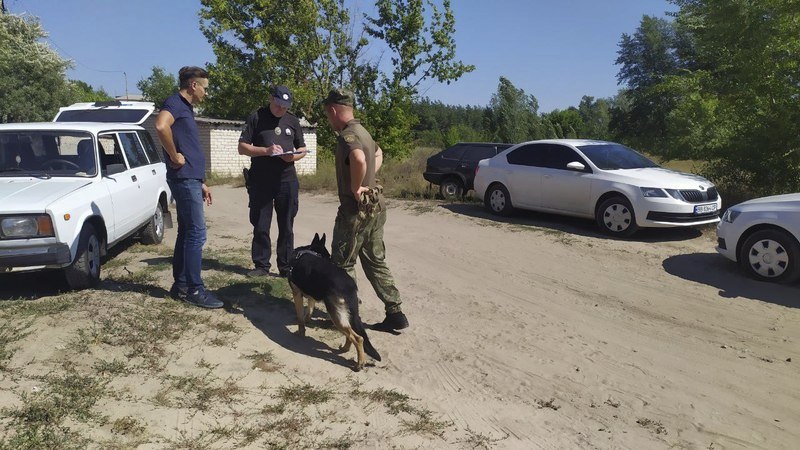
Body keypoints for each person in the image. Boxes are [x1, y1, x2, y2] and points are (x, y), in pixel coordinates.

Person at [321, 88, 409, 331]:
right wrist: (369, 179)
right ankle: (395, 312)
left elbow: (359, 159)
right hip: (376, 209)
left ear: (333, 110)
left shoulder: (348, 135)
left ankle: (348, 314)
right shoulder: (364, 132)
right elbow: (378, 153)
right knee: (375, 260)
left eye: (328, 114)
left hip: (355, 212)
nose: (329, 119)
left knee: (342, 262)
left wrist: (357, 185)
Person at [155, 66, 223, 309]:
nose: (206, 93)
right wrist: (174, 156)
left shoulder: (186, 108)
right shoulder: (174, 103)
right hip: (183, 178)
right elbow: (161, 126)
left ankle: (181, 284)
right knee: (196, 233)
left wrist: (201, 181)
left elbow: (187, 144)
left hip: (190, 179)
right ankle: (195, 289)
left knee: (186, 232)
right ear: (193, 85)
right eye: (204, 87)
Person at [238, 85, 307, 278]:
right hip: (261, 181)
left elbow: (302, 148)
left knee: (286, 224)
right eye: (278, 105)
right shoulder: (256, 117)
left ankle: (285, 266)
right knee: (261, 224)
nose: (281, 109)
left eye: (285, 106)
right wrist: (265, 151)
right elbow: (242, 147)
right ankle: (261, 265)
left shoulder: (292, 120)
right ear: (271, 99)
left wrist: (292, 157)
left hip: (287, 180)